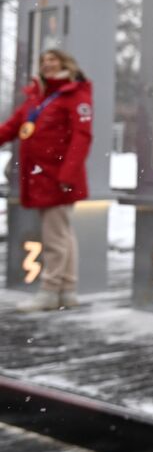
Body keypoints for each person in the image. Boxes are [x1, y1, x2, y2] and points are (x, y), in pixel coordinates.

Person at [0, 49, 94, 312]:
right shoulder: (36, 98)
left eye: (53, 60)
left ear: (66, 63)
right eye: (44, 61)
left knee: (55, 237)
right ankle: (67, 290)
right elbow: (11, 127)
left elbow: (81, 137)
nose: (47, 65)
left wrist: (67, 174)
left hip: (58, 177)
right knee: (62, 234)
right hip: (42, 177)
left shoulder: (75, 95)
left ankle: (50, 291)